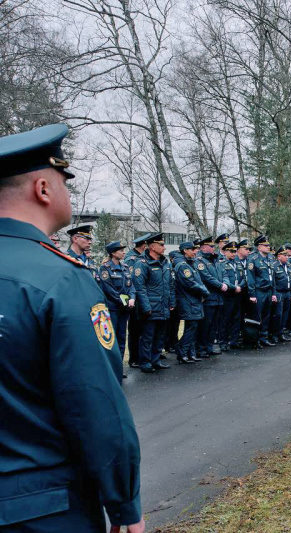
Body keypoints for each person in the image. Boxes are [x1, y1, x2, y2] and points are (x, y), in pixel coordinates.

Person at [0, 123, 144, 532]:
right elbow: (95, 404)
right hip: (40, 508)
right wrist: (124, 503)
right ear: (43, 189)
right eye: (66, 181)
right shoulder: (60, 278)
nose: (68, 191)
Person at [132, 232, 175, 374]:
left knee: (160, 335)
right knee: (147, 336)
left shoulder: (165, 262)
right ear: (152, 246)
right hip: (151, 306)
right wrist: (145, 307)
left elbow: (170, 284)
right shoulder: (142, 263)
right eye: (161, 245)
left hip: (163, 306)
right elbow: (140, 287)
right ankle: (145, 362)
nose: (164, 247)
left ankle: (155, 360)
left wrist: (172, 302)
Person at [98, 240, 136, 375]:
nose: (123, 252)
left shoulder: (125, 267)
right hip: (113, 308)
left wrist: (132, 297)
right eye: (120, 250)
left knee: (121, 337)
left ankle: (119, 368)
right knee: (111, 339)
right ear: (113, 253)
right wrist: (123, 301)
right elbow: (108, 289)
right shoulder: (105, 268)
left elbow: (131, 285)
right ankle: (111, 369)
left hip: (124, 309)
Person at [173, 241, 209, 363]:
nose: (195, 252)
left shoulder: (191, 263)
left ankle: (190, 353)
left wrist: (203, 289)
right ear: (185, 250)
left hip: (194, 300)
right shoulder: (183, 265)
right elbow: (190, 284)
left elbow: (198, 281)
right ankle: (182, 352)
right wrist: (205, 291)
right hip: (188, 301)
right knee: (191, 326)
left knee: (193, 327)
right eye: (193, 249)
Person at [195, 236, 227, 355]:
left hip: (218, 298)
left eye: (213, 246)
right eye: (211, 246)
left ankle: (209, 346)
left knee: (214, 324)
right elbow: (206, 277)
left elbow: (224, 273)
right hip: (208, 297)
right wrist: (220, 285)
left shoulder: (216, 259)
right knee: (205, 325)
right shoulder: (200, 261)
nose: (213, 248)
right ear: (203, 247)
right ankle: (201, 348)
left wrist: (225, 283)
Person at [124, 233, 150, 369]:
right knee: (134, 330)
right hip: (135, 300)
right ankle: (133, 358)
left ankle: (142, 355)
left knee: (143, 330)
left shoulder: (143, 257)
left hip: (143, 299)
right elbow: (131, 280)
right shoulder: (131, 259)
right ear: (144, 245)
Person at [247, 235, 277, 346]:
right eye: (266, 245)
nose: (268, 247)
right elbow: (250, 278)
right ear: (259, 247)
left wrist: (274, 293)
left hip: (268, 290)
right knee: (257, 316)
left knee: (266, 315)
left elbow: (272, 277)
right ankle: (255, 339)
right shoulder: (253, 259)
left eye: (268, 245)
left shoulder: (270, 258)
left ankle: (264, 337)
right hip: (259, 291)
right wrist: (252, 294)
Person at [220, 241, 244, 351]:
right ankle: (223, 342)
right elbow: (222, 280)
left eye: (235, 251)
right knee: (225, 319)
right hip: (227, 295)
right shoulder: (221, 264)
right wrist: (234, 288)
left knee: (236, 318)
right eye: (231, 251)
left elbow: (244, 277)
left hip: (237, 295)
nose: (233, 254)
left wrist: (240, 286)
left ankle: (233, 341)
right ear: (225, 252)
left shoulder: (237, 263)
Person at [272, 245, 291, 343]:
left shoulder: (289, 266)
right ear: (279, 256)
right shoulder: (274, 266)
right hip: (279, 293)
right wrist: (274, 294)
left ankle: (281, 333)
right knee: (278, 315)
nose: (287, 257)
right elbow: (273, 283)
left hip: (287, 293)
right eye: (284, 255)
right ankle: (274, 334)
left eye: (287, 255)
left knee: (285, 315)